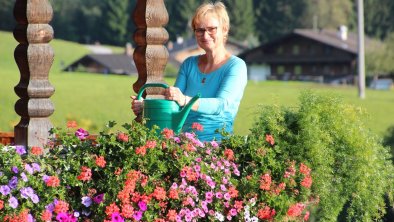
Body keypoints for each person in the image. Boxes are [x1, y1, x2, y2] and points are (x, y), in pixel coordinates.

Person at [131, 1, 247, 141]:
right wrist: (147, 105)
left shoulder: (236, 66)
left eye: (212, 29)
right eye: (200, 30)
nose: (205, 35)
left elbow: (221, 105)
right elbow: (173, 102)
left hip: (217, 146)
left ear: (225, 29)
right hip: (184, 146)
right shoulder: (189, 64)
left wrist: (185, 100)